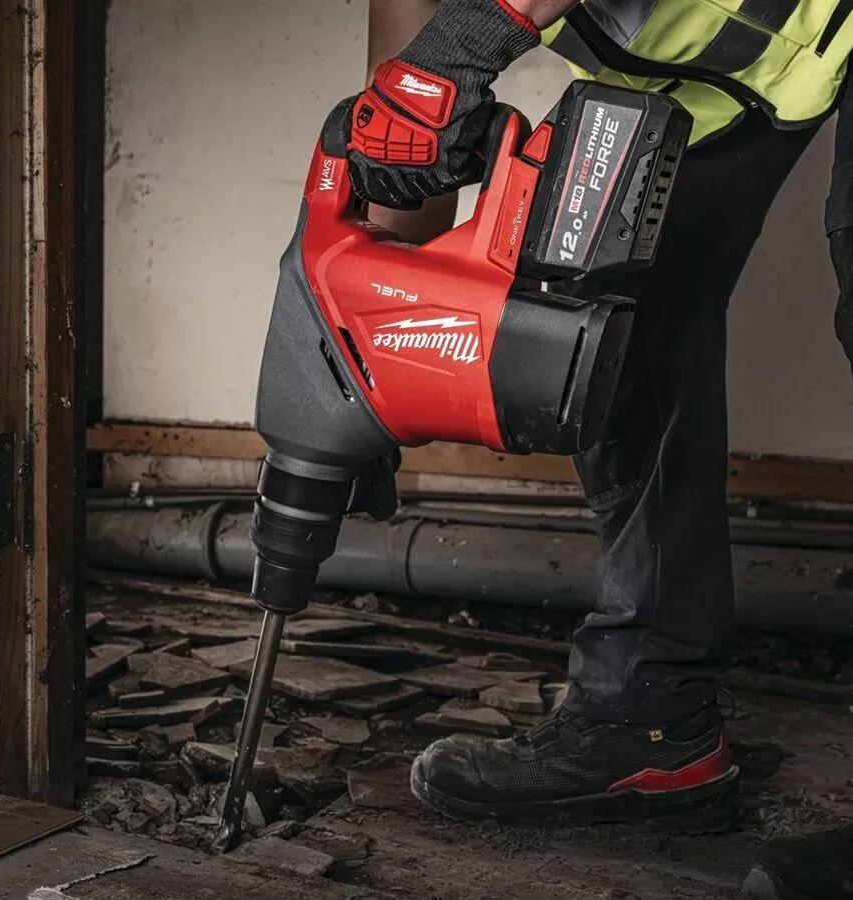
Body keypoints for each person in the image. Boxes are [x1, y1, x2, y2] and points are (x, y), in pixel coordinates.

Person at [340, 2, 853, 898]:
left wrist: (470, 39)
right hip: (726, 73)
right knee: (607, 313)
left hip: (778, 47)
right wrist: (363, 353)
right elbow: (406, 120)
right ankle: (648, 726)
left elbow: (452, 40)